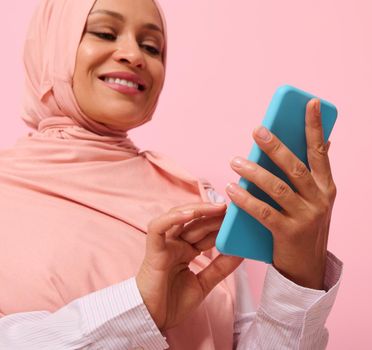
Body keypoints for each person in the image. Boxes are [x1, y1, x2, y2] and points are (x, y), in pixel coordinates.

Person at [0, 0, 343, 348]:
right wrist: (138, 307)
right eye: (105, 32)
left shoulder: (198, 203)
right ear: (51, 46)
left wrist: (299, 276)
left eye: (152, 47)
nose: (134, 55)